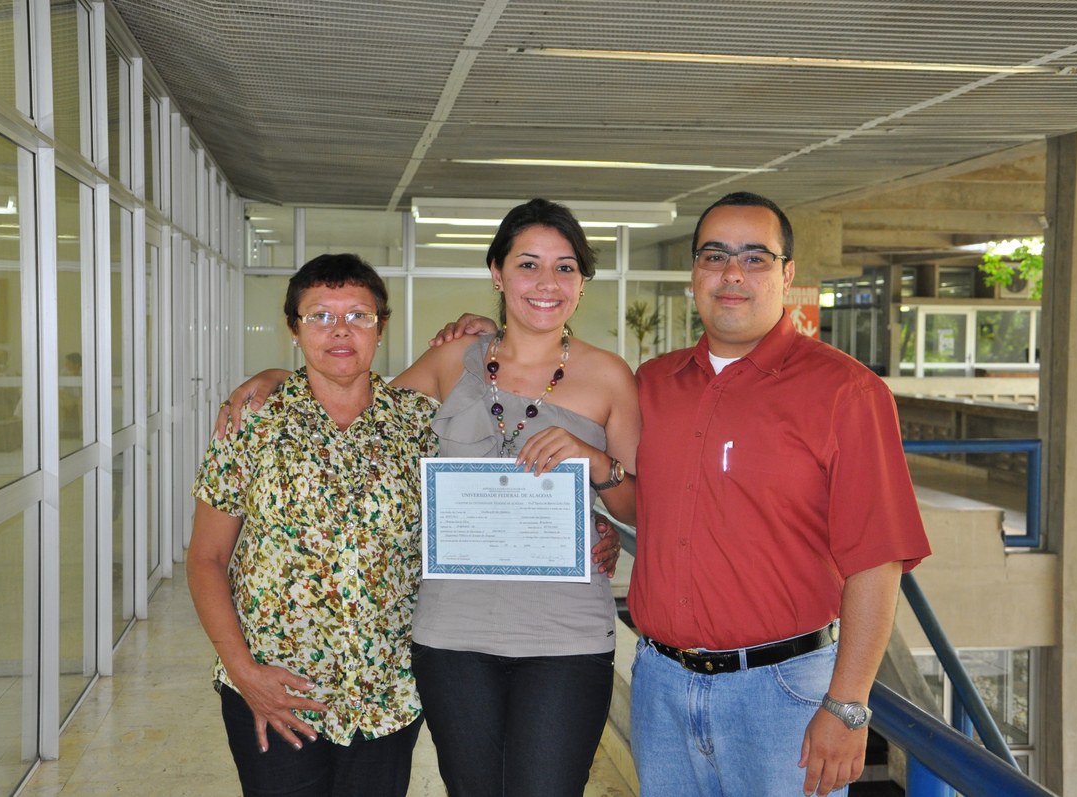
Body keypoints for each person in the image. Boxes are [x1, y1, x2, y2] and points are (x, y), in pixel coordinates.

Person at [433, 190, 932, 797]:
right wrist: (593, 504)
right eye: (715, 255)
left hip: (782, 694)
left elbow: (878, 560)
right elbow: (639, 496)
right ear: (695, 271)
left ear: (787, 273)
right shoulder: (656, 383)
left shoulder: (846, 393)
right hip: (662, 686)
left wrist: (848, 704)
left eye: (755, 258)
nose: (732, 275)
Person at [218, 198, 640, 796]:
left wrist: (597, 468)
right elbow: (363, 401)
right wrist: (277, 379)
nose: (547, 283)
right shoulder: (452, 361)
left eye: (565, 267)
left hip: (563, 635)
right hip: (452, 635)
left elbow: (638, 510)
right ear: (497, 272)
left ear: (581, 281)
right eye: (528, 264)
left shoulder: (611, 376)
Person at [188, 253, 438, 796]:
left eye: (358, 315)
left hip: (386, 692)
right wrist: (246, 675)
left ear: (382, 327)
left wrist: (585, 529)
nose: (340, 330)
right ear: (294, 330)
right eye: (320, 315)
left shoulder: (420, 426)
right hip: (274, 689)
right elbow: (206, 558)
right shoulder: (252, 420)